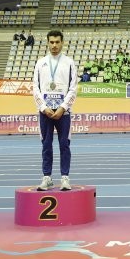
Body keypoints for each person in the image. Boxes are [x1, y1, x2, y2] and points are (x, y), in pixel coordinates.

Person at [31, 30, 78, 192]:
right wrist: (43, 108)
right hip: (45, 112)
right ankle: (47, 177)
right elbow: (35, 88)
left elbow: (73, 89)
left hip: (63, 112)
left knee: (64, 144)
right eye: (51, 42)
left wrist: (63, 107)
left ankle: (65, 177)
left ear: (62, 42)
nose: (54, 45)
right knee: (46, 145)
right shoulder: (40, 63)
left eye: (57, 42)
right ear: (47, 43)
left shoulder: (69, 63)